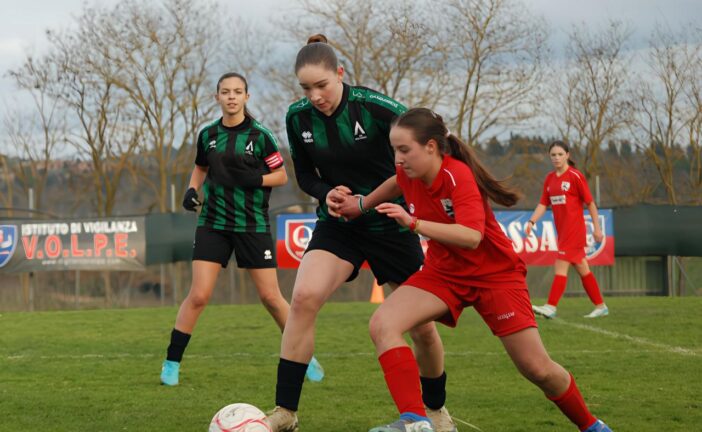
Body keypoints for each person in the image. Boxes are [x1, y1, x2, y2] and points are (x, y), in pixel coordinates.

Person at [348, 108, 611, 432]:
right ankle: (415, 423)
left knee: (538, 369)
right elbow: (394, 184)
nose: (398, 159)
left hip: (495, 277)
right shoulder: (407, 172)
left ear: (431, 146)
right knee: (383, 323)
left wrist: (413, 222)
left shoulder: (458, 176)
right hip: (444, 273)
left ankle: (593, 427)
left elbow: (472, 237)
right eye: (394, 150)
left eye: (404, 150)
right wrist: (361, 204)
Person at [264, 36, 455, 432]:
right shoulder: (297, 117)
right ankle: (285, 412)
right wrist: (325, 193)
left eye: (322, 85)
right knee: (302, 298)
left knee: (421, 326)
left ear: (340, 73)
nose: (314, 96)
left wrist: (367, 202)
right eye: (306, 88)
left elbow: (420, 156)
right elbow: (304, 175)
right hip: (339, 226)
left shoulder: (376, 108)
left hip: (390, 223)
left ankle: (436, 411)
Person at [160, 72, 324, 386]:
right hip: (213, 224)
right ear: (217, 97)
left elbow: (281, 177)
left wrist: (254, 179)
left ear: (247, 97)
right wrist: (191, 190)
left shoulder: (261, 135)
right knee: (198, 296)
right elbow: (200, 167)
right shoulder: (208, 134)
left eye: (238, 92)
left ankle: (305, 357)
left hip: (252, 225)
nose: (232, 97)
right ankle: (171, 363)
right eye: (225, 92)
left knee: (271, 297)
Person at [525, 140, 609, 319]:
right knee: (582, 268)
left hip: (575, 231)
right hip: (562, 232)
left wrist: (597, 228)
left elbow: (590, 203)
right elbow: (543, 204)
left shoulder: (575, 176)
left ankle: (551, 306)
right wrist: (532, 221)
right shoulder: (549, 179)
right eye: (553, 155)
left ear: (567, 155)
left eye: (560, 154)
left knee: (560, 265)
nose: (556, 158)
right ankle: (601, 306)